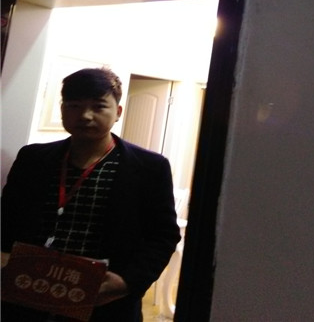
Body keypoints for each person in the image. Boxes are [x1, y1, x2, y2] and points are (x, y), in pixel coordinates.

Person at [1, 68, 181, 321]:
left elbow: (163, 235)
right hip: (27, 295)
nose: (85, 115)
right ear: (62, 109)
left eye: (98, 106)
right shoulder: (33, 158)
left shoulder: (150, 167)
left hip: (102, 302)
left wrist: (127, 282)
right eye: (74, 106)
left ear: (118, 112)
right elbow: (6, 215)